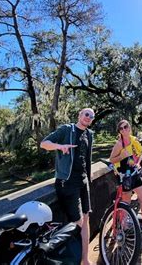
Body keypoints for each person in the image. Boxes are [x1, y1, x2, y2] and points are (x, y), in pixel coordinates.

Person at [40, 108, 95, 265]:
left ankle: (85, 259)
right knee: (77, 223)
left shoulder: (89, 134)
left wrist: (88, 176)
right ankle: (64, 259)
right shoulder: (67, 129)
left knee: (86, 219)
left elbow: (88, 157)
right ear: (79, 115)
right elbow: (44, 144)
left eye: (91, 116)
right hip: (67, 182)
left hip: (83, 181)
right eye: (86, 114)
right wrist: (59, 146)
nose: (88, 118)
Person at [108, 120, 142, 233]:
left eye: (126, 127)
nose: (124, 129)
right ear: (119, 131)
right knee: (126, 203)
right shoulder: (119, 144)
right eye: (121, 128)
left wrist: (138, 163)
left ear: (129, 127)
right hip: (125, 176)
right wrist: (121, 156)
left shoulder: (133, 140)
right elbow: (111, 159)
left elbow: (140, 154)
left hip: (134, 173)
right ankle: (124, 228)